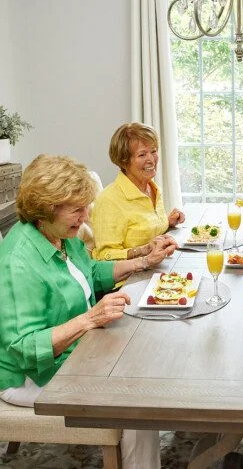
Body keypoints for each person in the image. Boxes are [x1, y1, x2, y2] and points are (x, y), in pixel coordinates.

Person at [0, 154, 177, 469]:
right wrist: (89, 319)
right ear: (46, 207)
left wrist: (143, 261)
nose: (85, 217)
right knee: (136, 394)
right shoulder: (20, 261)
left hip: (75, 350)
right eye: (77, 209)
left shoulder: (57, 235)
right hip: (30, 376)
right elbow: (24, 349)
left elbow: (90, 271)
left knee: (148, 352)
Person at [92, 122, 184, 263]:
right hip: (129, 280)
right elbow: (104, 256)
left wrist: (167, 223)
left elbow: (144, 231)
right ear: (124, 162)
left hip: (158, 270)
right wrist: (143, 250)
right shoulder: (109, 200)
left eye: (153, 151)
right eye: (142, 155)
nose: (151, 159)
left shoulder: (151, 188)